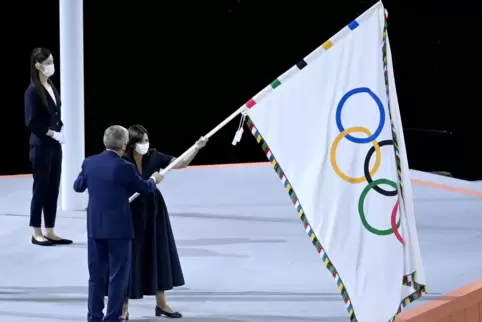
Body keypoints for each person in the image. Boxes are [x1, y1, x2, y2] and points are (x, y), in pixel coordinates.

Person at [73, 125, 164, 322]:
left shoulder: (89, 163)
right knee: (118, 276)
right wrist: (154, 180)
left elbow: (78, 186)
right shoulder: (125, 167)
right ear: (124, 145)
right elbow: (144, 188)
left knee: (96, 277)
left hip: (95, 229)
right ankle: (112, 317)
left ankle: (94, 317)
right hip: (119, 231)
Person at [118, 125, 207, 319]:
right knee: (129, 257)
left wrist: (196, 147)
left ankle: (162, 304)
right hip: (130, 212)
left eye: (147, 140)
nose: (146, 144)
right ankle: (122, 306)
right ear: (131, 144)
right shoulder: (122, 160)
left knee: (157, 253)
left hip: (153, 210)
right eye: (142, 141)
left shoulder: (154, 155)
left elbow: (180, 163)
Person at [24, 47, 72, 246]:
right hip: (41, 146)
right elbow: (31, 122)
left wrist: (61, 131)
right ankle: (36, 231)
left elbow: (54, 113)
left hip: (54, 146)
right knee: (41, 188)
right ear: (37, 66)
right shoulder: (32, 91)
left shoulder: (51, 85)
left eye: (52, 61)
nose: (52, 66)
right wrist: (52, 133)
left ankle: (50, 229)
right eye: (48, 63)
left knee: (53, 188)